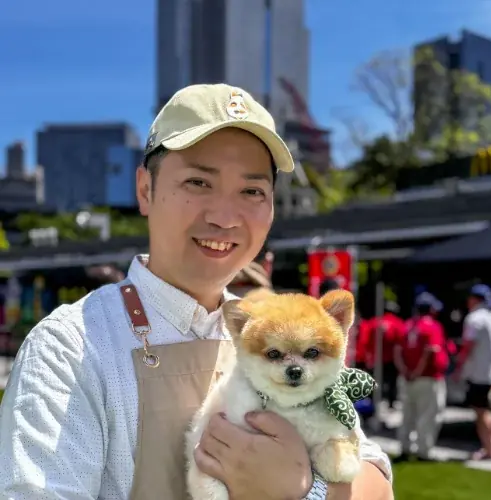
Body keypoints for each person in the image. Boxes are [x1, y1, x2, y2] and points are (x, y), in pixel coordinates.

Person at [0, 83, 393, 500]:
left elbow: (375, 480)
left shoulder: (267, 328)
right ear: (146, 190)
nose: (224, 217)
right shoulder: (70, 348)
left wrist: (304, 489)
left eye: (252, 191)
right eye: (198, 182)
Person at [393, 292, 449, 462]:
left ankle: (405, 448)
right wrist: (417, 372)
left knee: (407, 414)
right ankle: (424, 452)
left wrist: (404, 371)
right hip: (427, 377)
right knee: (428, 415)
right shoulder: (432, 326)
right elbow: (430, 351)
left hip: (406, 378)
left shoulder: (407, 325)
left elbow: (397, 351)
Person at [453, 284, 491, 460]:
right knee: (486, 410)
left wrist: (458, 369)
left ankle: (489, 448)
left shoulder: (474, 319)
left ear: (474, 299)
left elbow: (468, 346)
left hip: (479, 374)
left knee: (481, 412)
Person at [363, 301, 406, 409]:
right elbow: (401, 342)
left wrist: (368, 356)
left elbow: (366, 341)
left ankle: (374, 402)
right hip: (391, 359)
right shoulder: (398, 323)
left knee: (375, 381)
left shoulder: (374, 322)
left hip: (376, 358)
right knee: (392, 382)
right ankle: (391, 402)